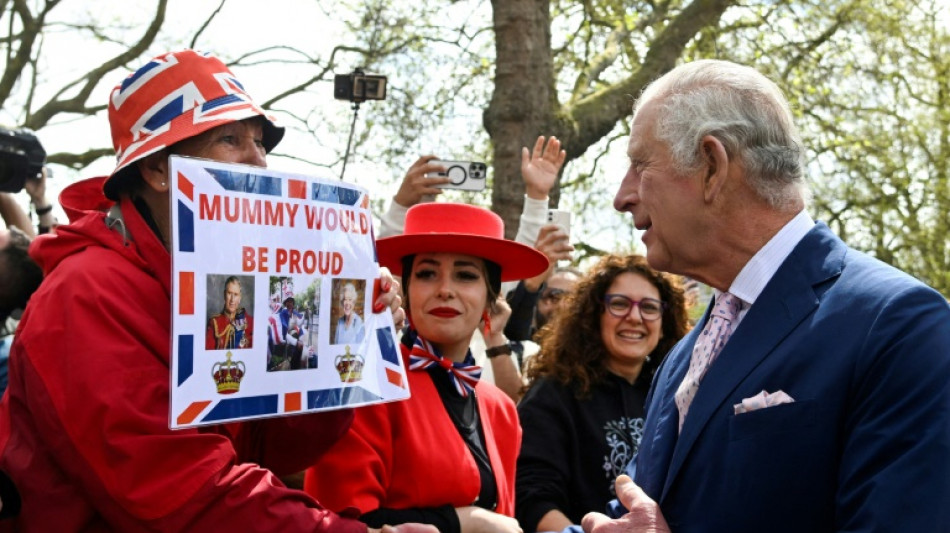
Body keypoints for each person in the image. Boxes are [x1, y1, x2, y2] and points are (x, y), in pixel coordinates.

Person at [0, 49, 431, 532]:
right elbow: (179, 495)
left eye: (260, 142)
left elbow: (278, 450)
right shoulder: (86, 295)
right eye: (230, 139)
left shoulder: (221, 274)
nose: (259, 161)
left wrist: (342, 346)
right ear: (157, 171)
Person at [582, 59, 950, 533]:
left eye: (640, 163)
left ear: (712, 166)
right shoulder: (680, 358)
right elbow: (633, 518)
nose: (622, 196)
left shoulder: (900, 324)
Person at [304, 202, 550, 533]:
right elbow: (339, 522)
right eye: (426, 273)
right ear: (405, 291)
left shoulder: (502, 410)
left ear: (490, 301)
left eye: (465, 275)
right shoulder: (366, 385)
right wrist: (467, 522)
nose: (445, 289)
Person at [516, 254, 689, 533]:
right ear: (594, 314)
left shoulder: (677, 394)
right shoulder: (553, 393)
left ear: (665, 320)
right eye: (619, 304)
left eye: (649, 307)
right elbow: (532, 496)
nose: (635, 317)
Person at [205, 276, 253, 350]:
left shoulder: (250, 322)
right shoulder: (214, 323)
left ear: (240, 298)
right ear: (224, 295)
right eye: (229, 293)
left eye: (236, 294)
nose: (232, 300)